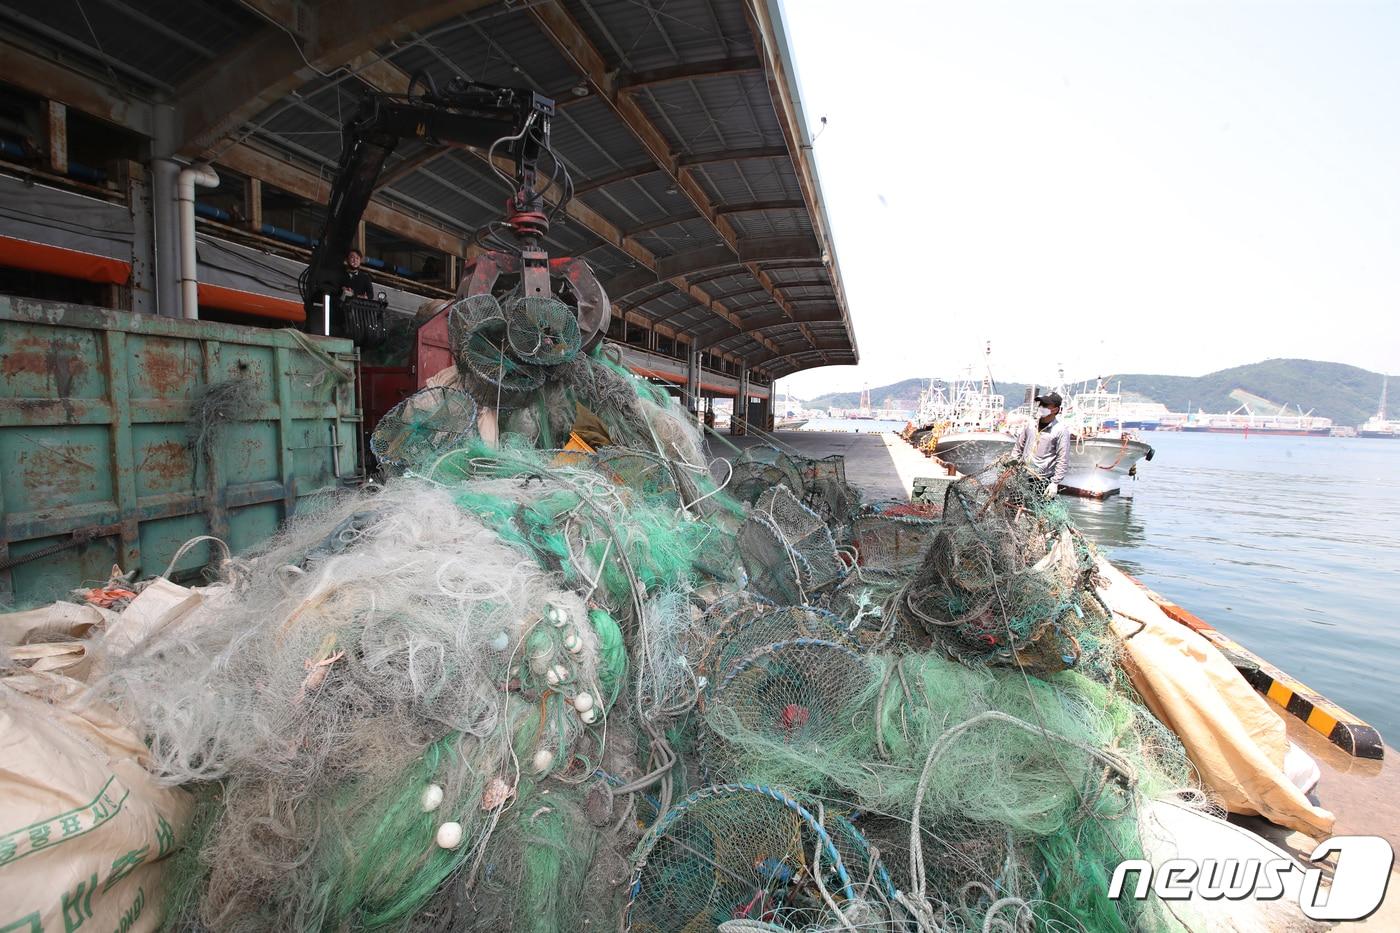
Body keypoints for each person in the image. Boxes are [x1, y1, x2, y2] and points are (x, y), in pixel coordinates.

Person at [1010, 391, 1069, 497]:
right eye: (1040, 404)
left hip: (1042, 480)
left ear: (1055, 409)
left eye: (1045, 405)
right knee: (1013, 507)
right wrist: (1013, 461)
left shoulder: (1060, 430)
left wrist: (1055, 483)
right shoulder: (1031, 424)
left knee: (1036, 511)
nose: (1041, 407)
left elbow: (1063, 459)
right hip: (1022, 474)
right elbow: (1019, 446)